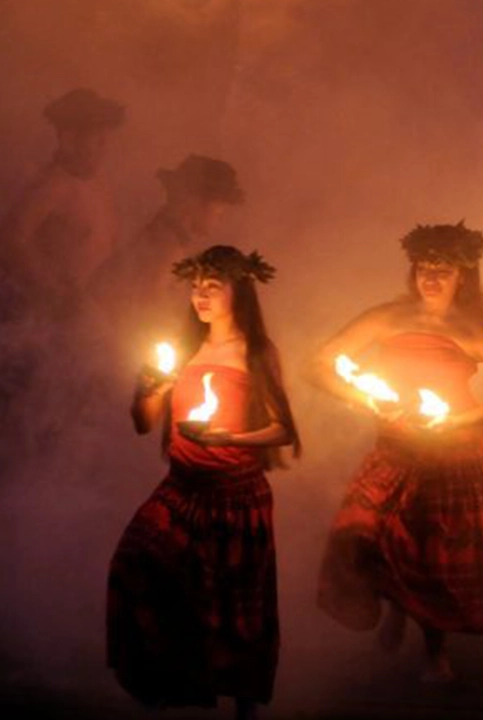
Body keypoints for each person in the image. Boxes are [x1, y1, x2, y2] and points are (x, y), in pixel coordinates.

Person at [312, 222, 483, 682]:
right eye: (424, 268)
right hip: (394, 450)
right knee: (365, 534)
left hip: (457, 455)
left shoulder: (474, 328)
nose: (431, 278)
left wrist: (457, 421)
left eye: (443, 269)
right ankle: (394, 605)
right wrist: (365, 399)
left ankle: (435, 651)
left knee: (436, 556)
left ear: (462, 277)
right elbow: (318, 363)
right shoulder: (385, 317)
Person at [107, 245, 299, 720]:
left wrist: (228, 437)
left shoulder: (256, 352)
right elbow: (143, 423)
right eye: (196, 286)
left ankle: (245, 709)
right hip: (181, 489)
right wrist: (149, 388)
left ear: (241, 291)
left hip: (236, 496)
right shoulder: (179, 349)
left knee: (237, 609)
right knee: (137, 563)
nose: (200, 295)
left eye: (213, 286)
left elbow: (283, 429)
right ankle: (158, 686)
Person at [93, 155, 246, 351]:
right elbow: (146, 313)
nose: (219, 219)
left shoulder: (162, 238)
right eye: (218, 211)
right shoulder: (165, 249)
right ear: (194, 202)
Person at [1, 87, 125, 317]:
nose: (103, 147)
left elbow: (109, 243)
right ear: (69, 138)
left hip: (95, 313)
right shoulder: (51, 185)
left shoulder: (98, 184)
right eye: (96, 138)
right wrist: (55, 292)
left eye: (105, 138)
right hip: (56, 320)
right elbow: (10, 241)